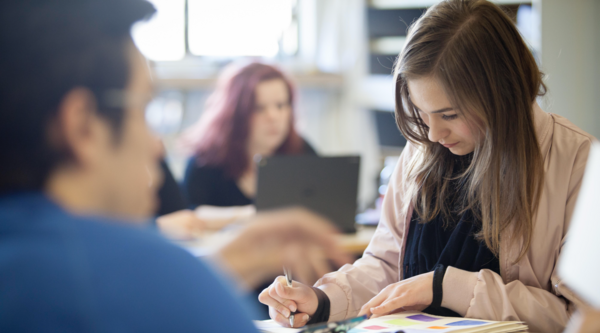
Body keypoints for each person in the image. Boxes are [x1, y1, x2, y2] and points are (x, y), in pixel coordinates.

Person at [0, 0, 350, 331]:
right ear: (84, 125)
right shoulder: (151, 282)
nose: (155, 144)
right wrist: (187, 279)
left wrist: (214, 265)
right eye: (143, 109)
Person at [259, 1, 595, 332]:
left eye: (450, 115)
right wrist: (322, 299)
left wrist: (446, 286)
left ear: (502, 94)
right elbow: (385, 264)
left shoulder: (579, 163)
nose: (434, 133)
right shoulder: (422, 149)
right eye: (422, 113)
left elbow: (578, 316)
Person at [180, 62, 316, 211]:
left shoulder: (302, 151)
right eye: (259, 108)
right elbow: (188, 217)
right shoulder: (204, 161)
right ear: (235, 113)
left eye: (281, 105)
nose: (273, 116)